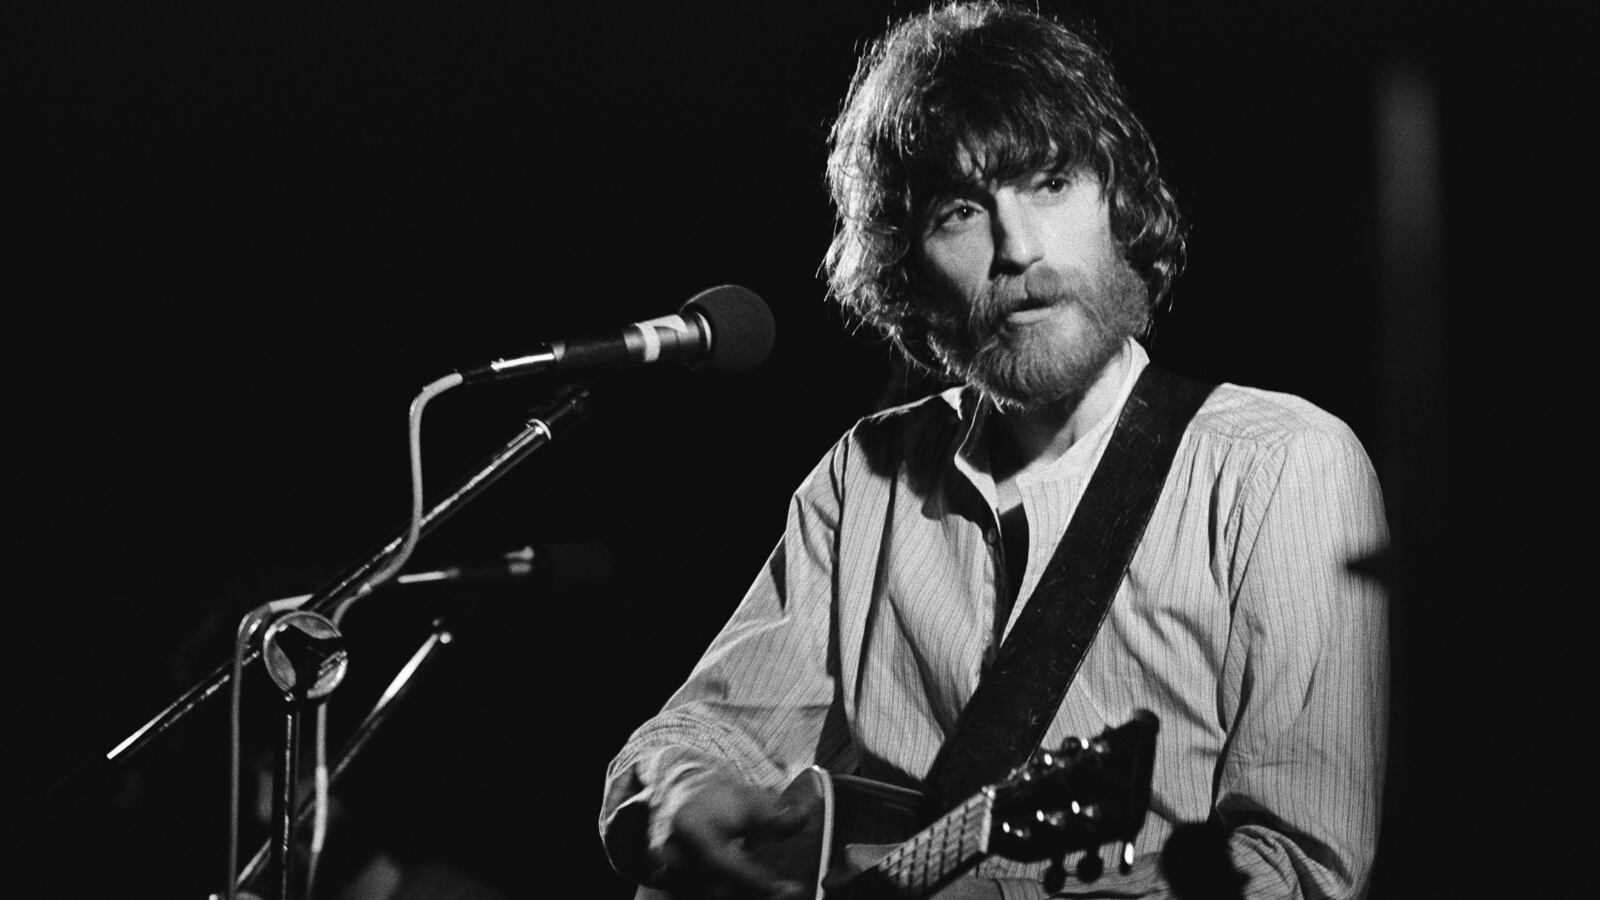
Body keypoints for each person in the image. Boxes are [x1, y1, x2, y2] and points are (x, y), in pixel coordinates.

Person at [599, 2, 1389, 898]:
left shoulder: (1283, 469)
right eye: (961, 211)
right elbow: (695, 735)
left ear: (1119, 202)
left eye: (1051, 184)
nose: (1017, 249)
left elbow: (1295, 870)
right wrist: (681, 789)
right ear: (908, 272)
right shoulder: (863, 478)